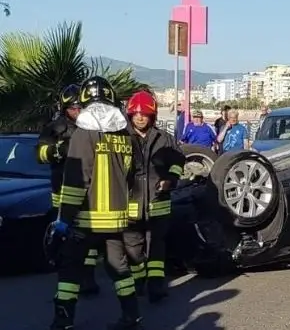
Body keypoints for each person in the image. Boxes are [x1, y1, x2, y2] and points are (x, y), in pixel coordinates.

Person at [50, 76, 144, 330]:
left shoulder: (84, 134)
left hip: (86, 219)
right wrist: (131, 215)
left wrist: (63, 221)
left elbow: (75, 181)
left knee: (70, 271)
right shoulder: (126, 136)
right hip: (116, 220)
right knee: (119, 270)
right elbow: (133, 177)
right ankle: (132, 316)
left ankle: (63, 321)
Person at [38, 84, 102, 298]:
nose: (77, 111)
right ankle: (64, 274)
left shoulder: (95, 128)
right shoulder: (55, 128)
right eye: (73, 108)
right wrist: (60, 149)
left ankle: (89, 277)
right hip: (62, 191)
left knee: (89, 236)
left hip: (89, 191)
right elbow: (40, 154)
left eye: (80, 107)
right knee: (65, 235)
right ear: (65, 108)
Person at [124, 90, 185, 304]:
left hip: (158, 204)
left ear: (152, 116)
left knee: (156, 246)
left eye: (145, 114)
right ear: (130, 115)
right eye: (136, 114)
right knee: (133, 247)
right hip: (130, 204)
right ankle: (138, 281)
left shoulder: (165, 139)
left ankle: (157, 286)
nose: (140, 118)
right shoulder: (120, 138)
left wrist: (170, 179)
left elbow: (179, 162)